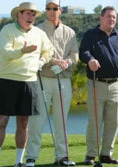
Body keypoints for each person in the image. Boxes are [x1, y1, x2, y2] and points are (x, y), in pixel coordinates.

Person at [0, 2, 54, 167]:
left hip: (29, 81)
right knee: (2, 121)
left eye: (33, 14)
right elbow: (6, 53)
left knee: (23, 123)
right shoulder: (7, 30)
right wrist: (23, 51)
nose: (31, 17)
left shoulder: (39, 33)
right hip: (7, 80)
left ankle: (19, 161)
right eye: (28, 14)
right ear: (19, 15)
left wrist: (42, 61)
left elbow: (49, 50)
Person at [79, 6, 118, 165]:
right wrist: (90, 59)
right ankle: (91, 154)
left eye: (114, 17)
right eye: (108, 17)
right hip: (96, 83)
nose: (111, 19)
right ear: (101, 18)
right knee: (95, 121)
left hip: (117, 85)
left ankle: (106, 154)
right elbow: (83, 52)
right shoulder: (91, 35)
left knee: (113, 122)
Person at [25, 0, 78, 166]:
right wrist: (53, 61)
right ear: (45, 10)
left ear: (60, 10)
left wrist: (66, 63)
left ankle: (62, 156)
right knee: (37, 120)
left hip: (63, 80)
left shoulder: (70, 32)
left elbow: (74, 55)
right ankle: (31, 157)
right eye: (48, 8)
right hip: (43, 79)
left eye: (55, 8)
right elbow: (36, 53)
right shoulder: (37, 30)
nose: (51, 11)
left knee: (61, 121)